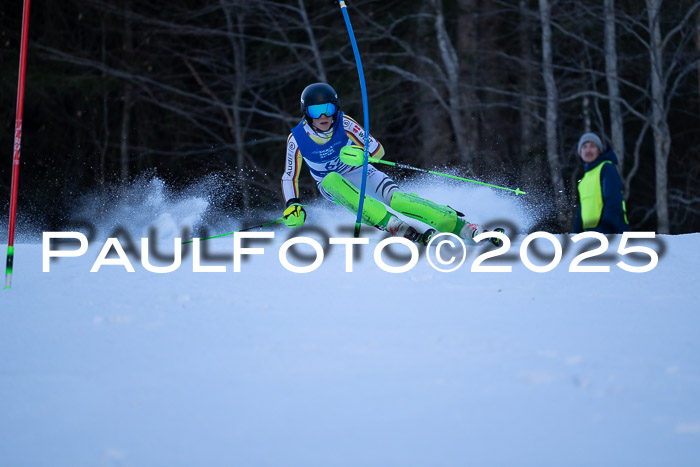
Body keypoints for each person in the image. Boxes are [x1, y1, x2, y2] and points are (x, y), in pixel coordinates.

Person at [281, 82, 497, 246]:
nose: (323, 116)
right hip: (333, 186)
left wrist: (361, 154)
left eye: (328, 109)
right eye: (315, 111)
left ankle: (462, 226)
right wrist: (293, 204)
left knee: (399, 200)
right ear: (306, 113)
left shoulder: (344, 123)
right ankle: (394, 225)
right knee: (331, 180)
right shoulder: (297, 139)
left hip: (359, 171)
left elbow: (377, 149)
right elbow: (289, 176)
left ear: (335, 108)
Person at [573, 132, 629, 234]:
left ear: (599, 150)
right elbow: (582, 209)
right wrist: (576, 233)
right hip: (591, 233)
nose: (588, 150)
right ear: (580, 152)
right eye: (584, 147)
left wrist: (605, 229)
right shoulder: (585, 178)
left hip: (610, 232)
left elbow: (613, 200)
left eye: (592, 146)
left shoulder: (607, 168)